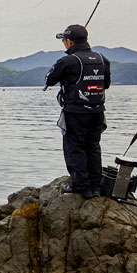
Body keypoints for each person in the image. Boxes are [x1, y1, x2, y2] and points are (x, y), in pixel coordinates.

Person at [45, 24, 111, 198]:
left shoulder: (68, 61)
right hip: (97, 112)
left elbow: (49, 80)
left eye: (64, 41)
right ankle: (96, 188)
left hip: (76, 112)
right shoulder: (102, 58)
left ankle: (81, 187)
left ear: (69, 42)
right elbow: (106, 84)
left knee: (75, 148)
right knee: (93, 147)